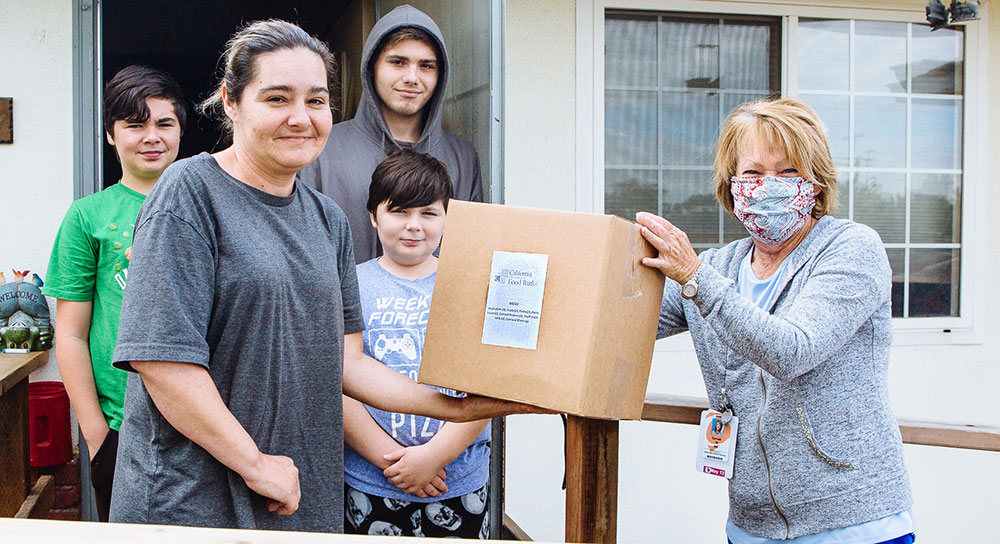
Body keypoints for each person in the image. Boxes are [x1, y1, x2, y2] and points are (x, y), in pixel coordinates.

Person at [108, 20, 534, 534]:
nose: (300, 118)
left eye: (316, 100)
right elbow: (163, 362)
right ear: (230, 101)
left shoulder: (327, 219)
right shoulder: (188, 194)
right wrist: (255, 463)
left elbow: (347, 362)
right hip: (196, 499)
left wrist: (463, 407)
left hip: (299, 490)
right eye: (276, 98)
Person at [636, 98, 914, 543]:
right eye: (753, 173)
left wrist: (693, 276)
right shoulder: (721, 266)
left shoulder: (852, 249)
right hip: (751, 526)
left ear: (817, 183)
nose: (769, 186)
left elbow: (792, 349)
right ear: (731, 186)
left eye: (788, 172)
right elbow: (625, 319)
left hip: (852, 525)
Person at [43, 65, 185, 522]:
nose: (152, 136)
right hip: (123, 426)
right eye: (135, 124)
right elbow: (69, 334)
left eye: (165, 123)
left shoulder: (208, 204)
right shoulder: (88, 216)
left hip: (206, 420)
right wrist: (97, 435)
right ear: (110, 134)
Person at [342, 149, 491, 538]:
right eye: (399, 211)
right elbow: (338, 381)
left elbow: (491, 383)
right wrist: (392, 461)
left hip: (458, 480)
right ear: (373, 215)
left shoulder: (472, 285)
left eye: (428, 213)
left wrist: (434, 456)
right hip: (371, 479)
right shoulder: (349, 285)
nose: (414, 226)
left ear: (447, 218)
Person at [299, 4, 483, 264]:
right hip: (341, 304)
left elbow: (471, 256)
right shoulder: (322, 150)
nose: (412, 77)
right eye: (398, 62)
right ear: (372, 68)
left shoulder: (463, 157)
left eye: (426, 66)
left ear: (441, 75)